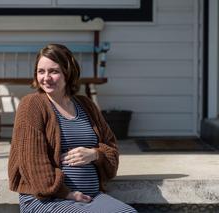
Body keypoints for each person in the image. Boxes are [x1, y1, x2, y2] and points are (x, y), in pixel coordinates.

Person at [8, 43, 137, 213]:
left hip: (91, 198)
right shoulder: (32, 104)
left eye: (53, 71)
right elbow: (32, 161)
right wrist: (67, 193)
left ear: (68, 73)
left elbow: (112, 149)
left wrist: (95, 154)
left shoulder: (86, 105)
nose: (46, 78)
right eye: (41, 71)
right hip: (46, 199)